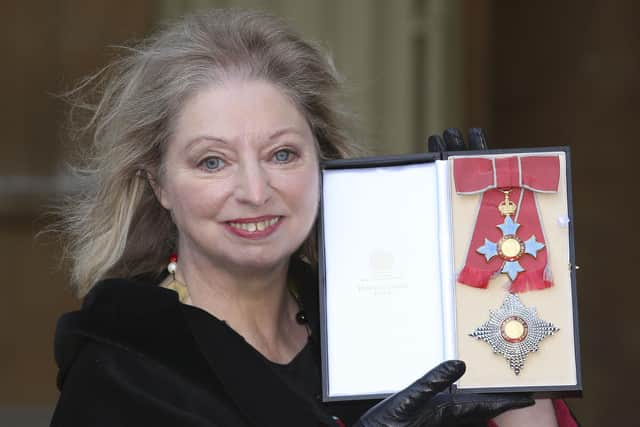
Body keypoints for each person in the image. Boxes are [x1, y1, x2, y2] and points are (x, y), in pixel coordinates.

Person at [50, 9, 578, 427]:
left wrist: (504, 310)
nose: (256, 191)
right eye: (213, 161)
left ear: (323, 163)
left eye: (282, 155)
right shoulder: (123, 370)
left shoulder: (381, 323)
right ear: (159, 185)